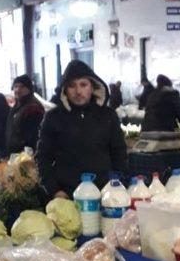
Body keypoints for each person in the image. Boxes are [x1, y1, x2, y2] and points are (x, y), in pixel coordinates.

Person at [36, 59, 128, 199]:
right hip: (66, 196)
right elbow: (43, 158)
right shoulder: (53, 118)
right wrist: (54, 190)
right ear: (65, 89)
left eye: (83, 85)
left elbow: (119, 154)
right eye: (72, 86)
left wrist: (117, 186)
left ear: (93, 87)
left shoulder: (108, 116)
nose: (78, 91)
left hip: (104, 196)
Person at [6, 74, 44, 154]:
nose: (18, 90)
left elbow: (33, 138)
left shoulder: (34, 108)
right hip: (15, 156)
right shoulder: (18, 105)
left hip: (24, 157)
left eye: (22, 87)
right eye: (16, 86)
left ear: (29, 89)